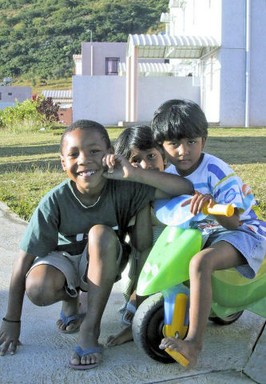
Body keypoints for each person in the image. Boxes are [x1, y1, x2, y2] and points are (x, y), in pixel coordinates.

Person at [0, 119, 193, 370]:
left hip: (104, 259)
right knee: (37, 288)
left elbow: (185, 189)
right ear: (62, 163)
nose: (84, 160)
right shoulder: (54, 202)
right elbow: (22, 263)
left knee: (100, 233)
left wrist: (133, 172)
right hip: (65, 262)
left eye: (94, 151)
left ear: (109, 155)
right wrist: (11, 321)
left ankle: (90, 330)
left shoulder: (124, 188)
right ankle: (72, 299)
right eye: (73, 154)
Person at [150, 99, 266, 367]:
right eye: (174, 144)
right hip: (205, 233)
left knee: (200, 262)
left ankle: (193, 344)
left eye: (191, 141)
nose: (183, 151)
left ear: (204, 139)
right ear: (162, 146)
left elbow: (235, 221)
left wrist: (213, 209)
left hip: (244, 231)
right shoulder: (167, 173)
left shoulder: (216, 170)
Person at [106, 125, 166, 346]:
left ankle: (140, 307)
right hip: (144, 262)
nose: (145, 165)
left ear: (163, 156)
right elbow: (142, 243)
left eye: (151, 156)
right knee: (149, 251)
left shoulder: (173, 185)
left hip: (177, 258)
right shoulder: (130, 196)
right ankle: (139, 302)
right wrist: (142, 198)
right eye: (135, 160)